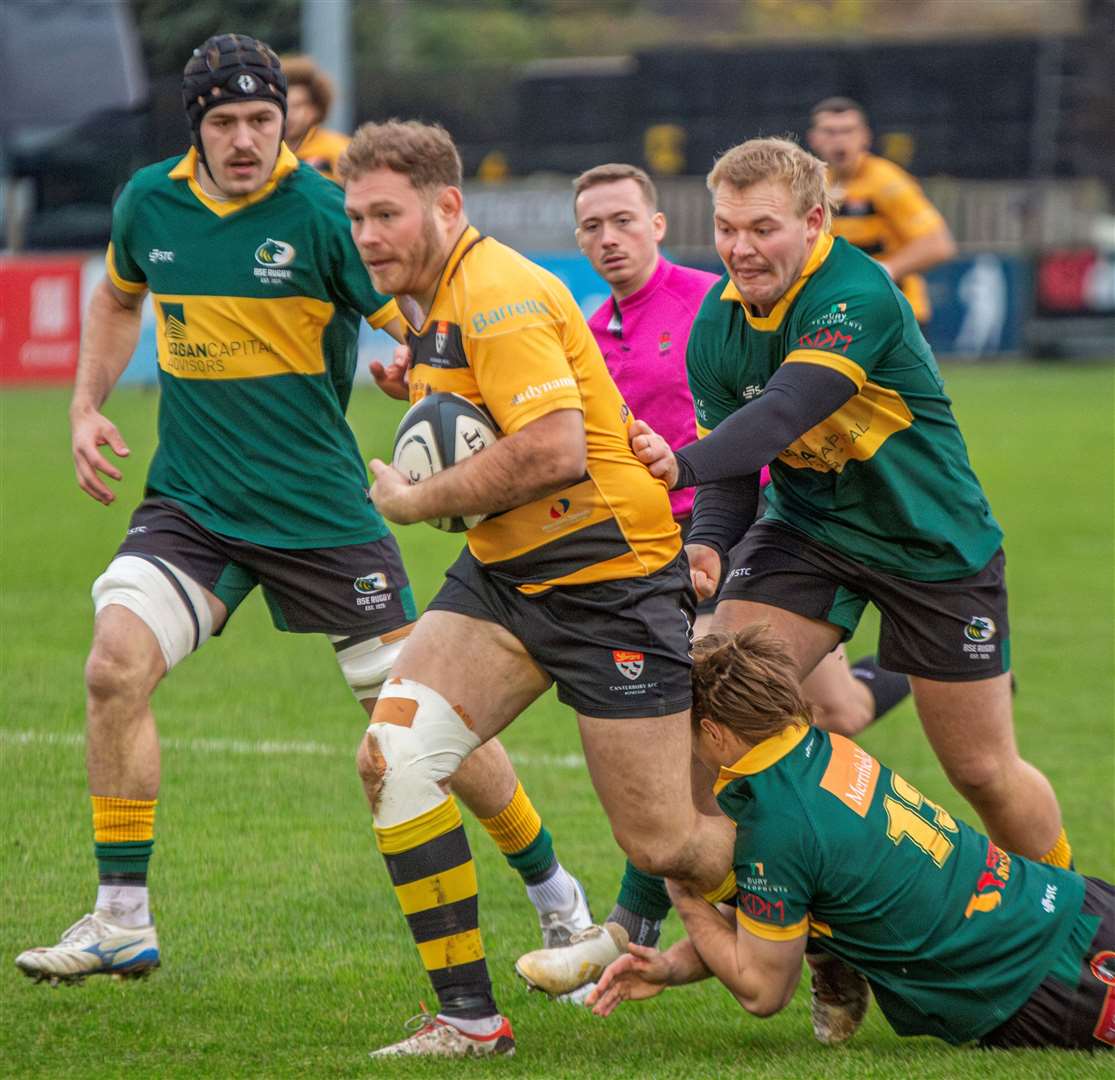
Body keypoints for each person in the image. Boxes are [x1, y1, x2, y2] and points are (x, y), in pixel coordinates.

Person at [11, 35, 587, 989]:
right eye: (225, 122)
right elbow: (118, 299)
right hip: (192, 501)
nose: (246, 140)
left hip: (322, 511)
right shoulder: (148, 201)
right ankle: (120, 917)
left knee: (423, 728)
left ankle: (555, 892)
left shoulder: (325, 214)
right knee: (114, 666)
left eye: (263, 121)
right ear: (193, 123)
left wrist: (421, 364)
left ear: (287, 120)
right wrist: (84, 405)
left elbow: (413, 307)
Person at [339, 119, 736, 1058]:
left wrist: (413, 498)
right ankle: (469, 1020)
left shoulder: (501, 292)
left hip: (612, 582)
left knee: (665, 845)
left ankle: (832, 907)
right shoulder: (430, 298)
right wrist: (420, 396)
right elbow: (477, 402)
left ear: (446, 207)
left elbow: (554, 452)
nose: (366, 237)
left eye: (385, 214)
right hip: (504, 577)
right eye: (355, 217)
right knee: (391, 759)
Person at [514, 162, 913, 994]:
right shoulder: (596, 331)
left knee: (709, 702)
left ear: (659, 225)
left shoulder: (713, 300)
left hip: (771, 531)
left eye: (623, 220)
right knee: (822, 711)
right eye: (590, 227)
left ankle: (637, 920)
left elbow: (771, 419)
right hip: (677, 539)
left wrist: (713, 526)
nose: (607, 239)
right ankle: (826, 924)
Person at [628, 136, 1071, 878]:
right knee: (713, 702)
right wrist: (706, 543)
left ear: (813, 222)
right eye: (726, 228)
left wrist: (680, 462)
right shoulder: (718, 325)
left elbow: (783, 413)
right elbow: (735, 480)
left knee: (983, 772)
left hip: (931, 540)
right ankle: (686, 923)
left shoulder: (856, 291)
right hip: (810, 531)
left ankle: (1084, 921)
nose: (739, 248)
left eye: (761, 228)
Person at [588, 626, 1115, 1054]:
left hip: (1050, 982)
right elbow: (766, 923)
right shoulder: (818, 751)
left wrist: (682, 887)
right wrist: (671, 967)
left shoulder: (778, 826)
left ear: (718, 733)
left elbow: (763, 988)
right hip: (1076, 904)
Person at [807, 97, 956, 325]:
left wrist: (884, 270)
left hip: (894, 311)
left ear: (865, 136)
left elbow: (938, 244)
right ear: (814, 138)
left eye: (847, 131)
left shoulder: (886, 182)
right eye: (829, 132)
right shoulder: (812, 184)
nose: (839, 141)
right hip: (841, 310)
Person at [281, 54, 350, 181]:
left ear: (316, 109)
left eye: (297, 106)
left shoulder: (340, 150)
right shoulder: (264, 151)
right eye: (283, 105)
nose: (289, 114)